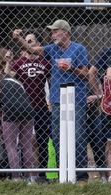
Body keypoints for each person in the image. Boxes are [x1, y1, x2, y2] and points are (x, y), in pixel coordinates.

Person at [13, 20, 90, 182]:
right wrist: (18, 38)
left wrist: (71, 69)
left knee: (78, 136)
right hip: (56, 99)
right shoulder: (51, 49)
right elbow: (31, 49)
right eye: (52, 32)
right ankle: (63, 173)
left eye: (56, 32)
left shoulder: (79, 49)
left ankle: (81, 175)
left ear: (65, 32)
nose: (53, 35)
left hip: (76, 99)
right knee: (57, 136)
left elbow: (85, 74)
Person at [14, 33, 51, 181]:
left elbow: (51, 82)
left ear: (37, 44)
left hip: (41, 107)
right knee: (25, 141)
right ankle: (26, 173)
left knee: (42, 140)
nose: (27, 44)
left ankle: (43, 174)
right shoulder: (19, 62)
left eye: (31, 41)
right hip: (24, 108)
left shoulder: (45, 63)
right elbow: (9, 78)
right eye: (26, 41)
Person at [0, 56, 37, 183]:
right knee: (26, 145)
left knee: (11, 146)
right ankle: (30, 177)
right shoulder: (17, 82)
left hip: (11, 112)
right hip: (27, 111)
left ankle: (16, 178)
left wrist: (0, 117)